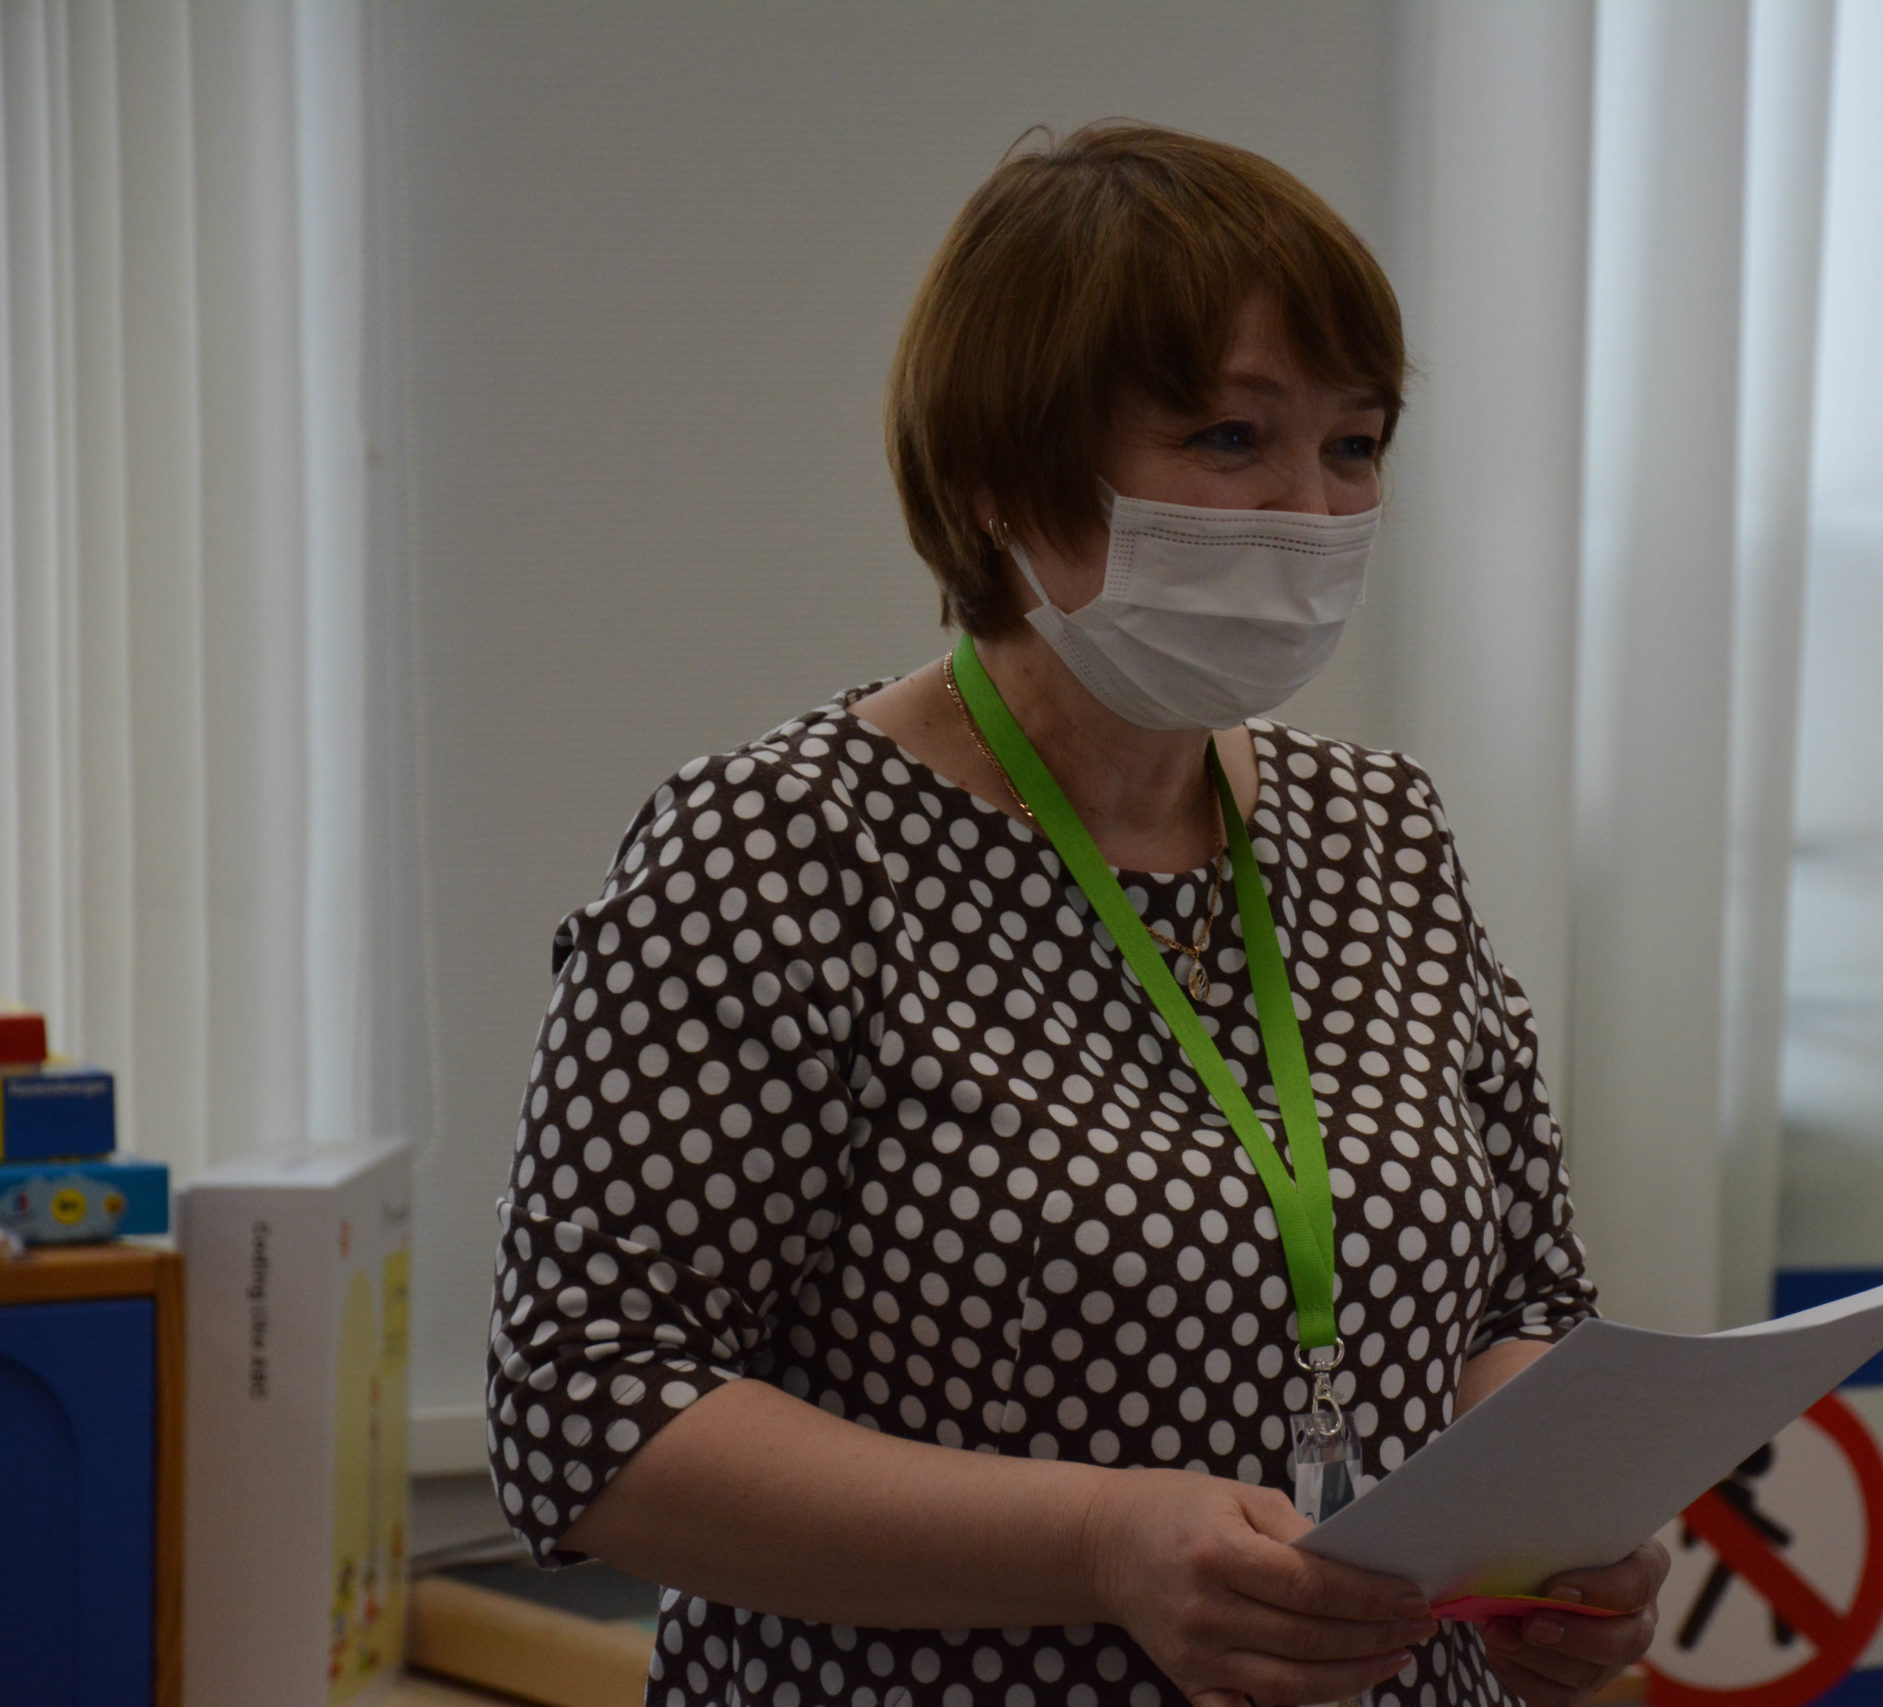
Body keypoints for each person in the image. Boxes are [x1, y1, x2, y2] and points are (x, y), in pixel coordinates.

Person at [485, 121, 1666, 1707]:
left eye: (1355, 445)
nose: (1311, 512)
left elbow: (1520, 1304)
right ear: (1003, 476)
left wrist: (1558, 1539)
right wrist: (1101, 1542)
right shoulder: (779, 850)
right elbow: (587, 1411)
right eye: (1229, 438)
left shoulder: (1381, 831)